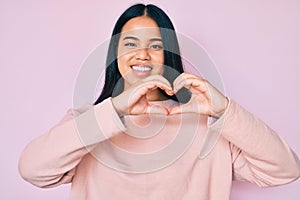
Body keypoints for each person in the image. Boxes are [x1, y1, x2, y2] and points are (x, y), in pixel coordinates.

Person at [19, 3, 300, 200]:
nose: (142, 54)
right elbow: (32, 170)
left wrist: (224, 110)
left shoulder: (208, 128)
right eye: (130, 43)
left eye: (155, 45)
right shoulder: (86, 122)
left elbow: (285, 170)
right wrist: (115, 109)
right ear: (115, 54)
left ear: (169, 55)